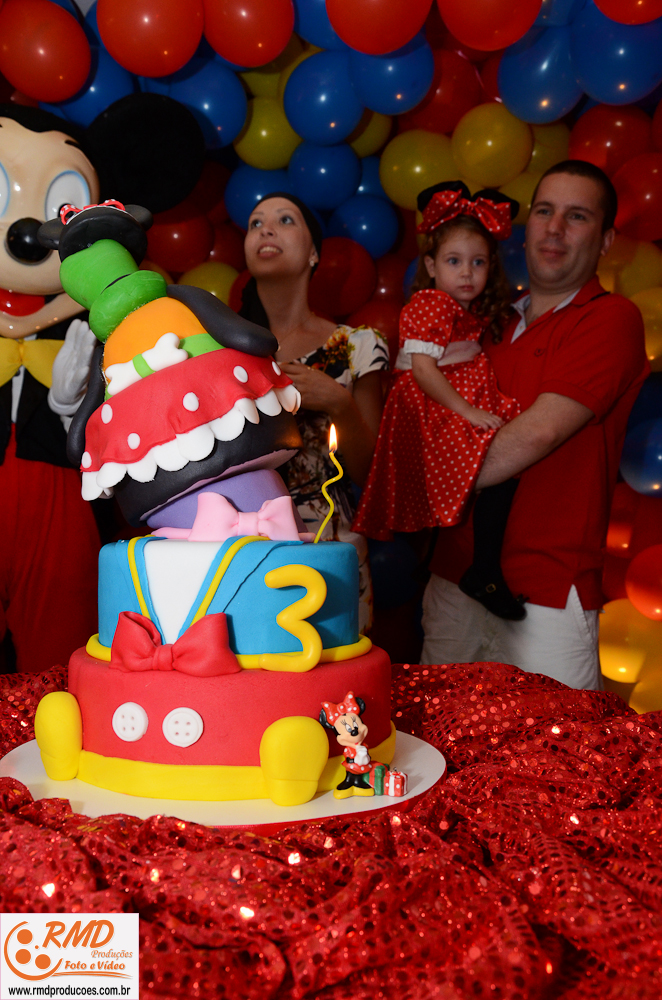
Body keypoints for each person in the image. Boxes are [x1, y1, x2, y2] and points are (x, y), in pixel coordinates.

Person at [420, 160, 649, 690]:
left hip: (548, 589)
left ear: (606, 240)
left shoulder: (610, 318)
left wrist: (421, 482)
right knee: (435, 733)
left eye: (577, 216)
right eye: (544, 211)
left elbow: (538, 433)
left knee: (552, 742)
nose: (555, 228)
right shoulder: (483, 323)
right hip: (453, 577)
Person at [353, 182, 525, 619]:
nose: (467, 272)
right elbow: (425, 371)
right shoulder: (431, 303)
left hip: (447, 399)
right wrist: (468, 411)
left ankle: (445, 560)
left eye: (478, 262)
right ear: (430, 265)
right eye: (454, 261)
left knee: (475, 481)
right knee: (496, 468)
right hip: (433, 406)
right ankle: (483, 568)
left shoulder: (460, 307)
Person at [240, 192, 388, 632]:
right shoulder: (220, 347)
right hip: (240, 545)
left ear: (314, 254)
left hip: (329, 545)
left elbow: (372, 474)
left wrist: (339, 403)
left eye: (285, 220)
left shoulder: (358, 346)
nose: (266, 229)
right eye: (255, 223)